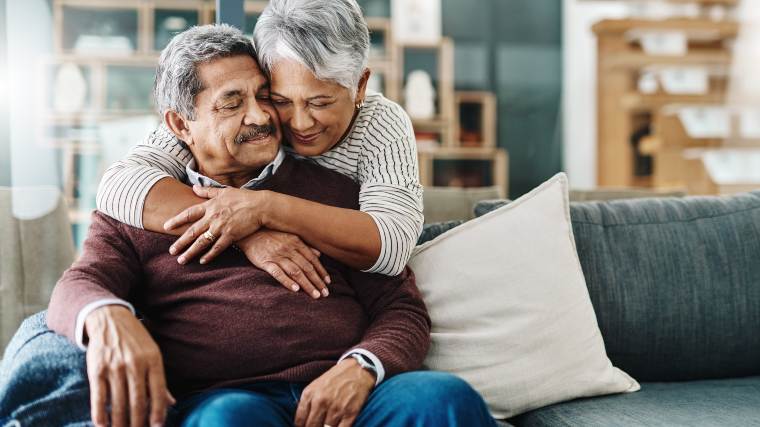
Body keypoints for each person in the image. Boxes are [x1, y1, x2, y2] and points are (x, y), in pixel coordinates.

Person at [21, 25, 497, 427]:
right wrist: (108, 318)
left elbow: (402, 310)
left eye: (263, 96)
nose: (261, 116)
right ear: (180, 125)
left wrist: (362, 367)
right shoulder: (138, 207)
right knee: (228, 419)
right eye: (231, 103)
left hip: (350, 395)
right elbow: (79, 283)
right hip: (227, 398)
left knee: (444, 400)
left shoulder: (331, 191)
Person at [96, 0, 423, 299]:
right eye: (280, 100)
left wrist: (264, 209)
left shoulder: (380, 124)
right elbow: (117, 185)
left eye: (320, 102)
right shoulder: (254, 117)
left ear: (360, 86)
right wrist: (244, 231)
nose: (299, 123)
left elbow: (392, 247)